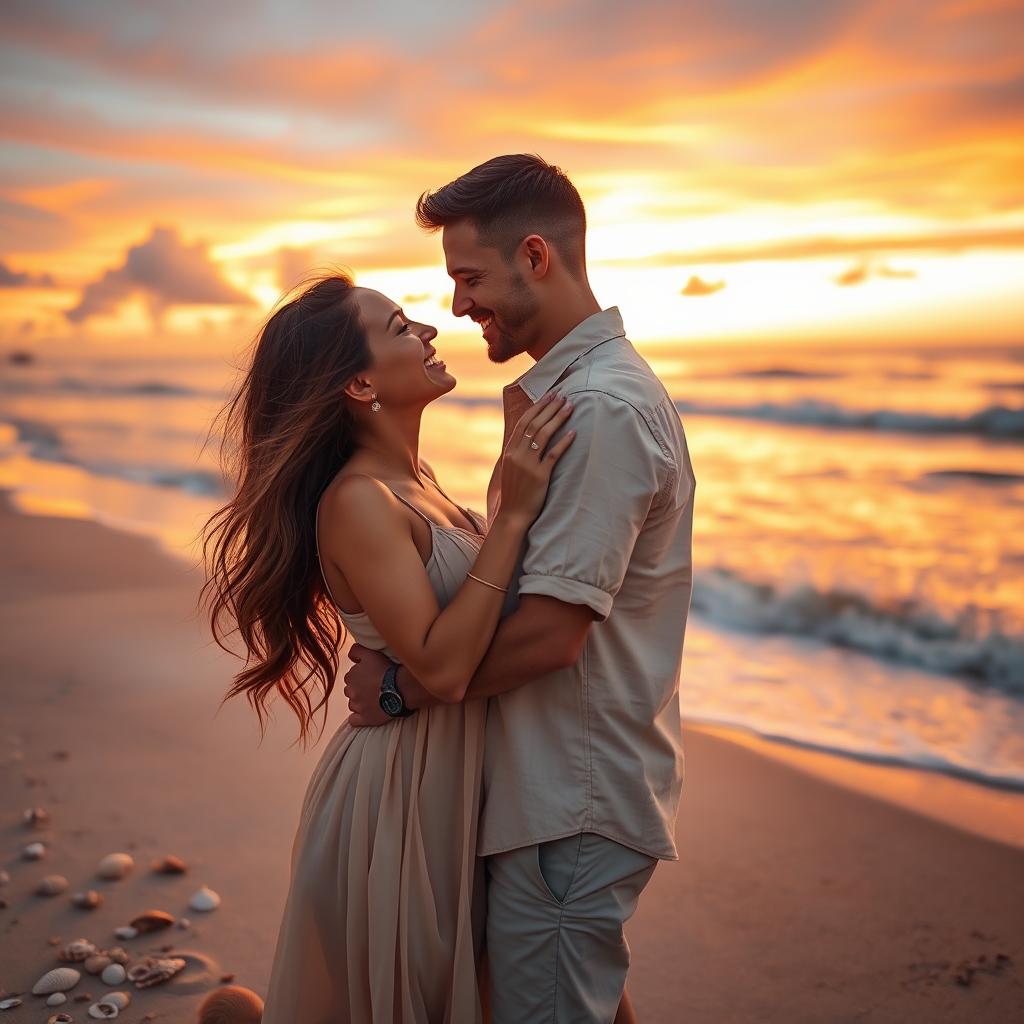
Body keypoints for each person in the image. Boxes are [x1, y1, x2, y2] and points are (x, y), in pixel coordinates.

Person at [344, 154, 697, 1024]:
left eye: (468, 277)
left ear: (534, 256)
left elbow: (551, 634)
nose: (457, 306)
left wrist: (398, 688)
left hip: (565, 801)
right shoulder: (565, 399)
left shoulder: (600, 411)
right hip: (551, 797)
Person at [200, 272, 576, 1023]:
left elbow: (472, 615)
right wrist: (510, 519)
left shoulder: (419, 482)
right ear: (360, 381)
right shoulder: (356, 501)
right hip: (404, 790)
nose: (431, 330)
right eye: (402, 326)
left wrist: (507, 492)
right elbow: (440, 663)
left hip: (454, 766)